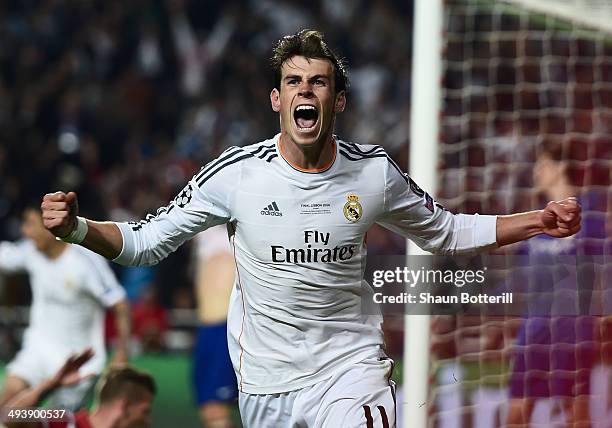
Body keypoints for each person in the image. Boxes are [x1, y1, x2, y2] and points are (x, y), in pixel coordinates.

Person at [40, 30, 582, 427]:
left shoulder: (372, 173)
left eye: (319, 83)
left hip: (350, 368)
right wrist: (78, 230)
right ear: (277, 100)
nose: (306, 91)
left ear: (337, 101)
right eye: (293, 81)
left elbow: (445, 231)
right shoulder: (236, 175)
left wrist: (537, 219)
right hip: (267, 385)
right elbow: (145, 243)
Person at [506, 142, 604, 427]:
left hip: (571, 331)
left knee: (576, 414)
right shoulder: (534, 220)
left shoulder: (590, 215)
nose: (536, 172)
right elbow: (520, 279)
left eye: (543, 164)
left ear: (561, 167)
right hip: (533, 331)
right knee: (516, 414)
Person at [0, 206, 130, 411]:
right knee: (7, 409)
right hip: (37, 352)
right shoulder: (31, 251)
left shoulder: (85, 259)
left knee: (53, 423)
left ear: (50, 228)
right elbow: (5, 257)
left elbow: (119, 302)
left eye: (31, 224)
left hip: (77, 364)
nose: (26, 231)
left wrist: (122, 353)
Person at [1, 348, 156, 428]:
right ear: (125, 405)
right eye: (145, 411)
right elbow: (7, 417)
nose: (148, 421)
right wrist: (50, 386)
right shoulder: (64, 419)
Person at [192, 226, 238, 428]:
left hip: (225, 327)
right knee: (208, 411)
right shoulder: (204, 231)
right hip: (206, 329)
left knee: (216, 412)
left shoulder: (242, 228)